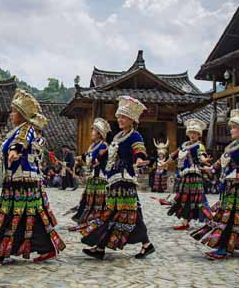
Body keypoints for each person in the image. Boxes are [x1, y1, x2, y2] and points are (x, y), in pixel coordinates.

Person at [0, 89, 65, 266]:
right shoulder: (18, 129)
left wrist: (14, 151)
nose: (11, 114)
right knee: (27, 215)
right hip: (19, 181)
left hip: (23, 182)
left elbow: (21, 142)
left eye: (14, 111)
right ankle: (47, 248)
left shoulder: (26, 129)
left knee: (10, 216)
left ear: (22, 115)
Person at [78, 95, 155, 260]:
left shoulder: (135, 136)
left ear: (131, 119)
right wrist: (95, 157)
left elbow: (138, 151)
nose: (119, 119)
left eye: (123, 116)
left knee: (116, 214)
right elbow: (108, 156)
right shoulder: (117, 137)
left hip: (124, 181)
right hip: (113, 181)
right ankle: (144, 244)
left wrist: (140, 159)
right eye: (118, 116)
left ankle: (100, 247)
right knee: (124, 213)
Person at [192, 109, 239, 260]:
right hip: (229, 186)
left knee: (233, 218)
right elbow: (221, 162)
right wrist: (210, 168)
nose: (231, 130)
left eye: (234, 127)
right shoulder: (232, 145)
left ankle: (224, 248)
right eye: (231, 127)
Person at [166, 119, 211, 231]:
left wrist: (204, 160)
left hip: (194, 176)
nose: (192, 135)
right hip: (185, 176)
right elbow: (174, 156)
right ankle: (185, 222)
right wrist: (165, 163)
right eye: (191, 132)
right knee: (184, 198)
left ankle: (211, 219)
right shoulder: (183, 145)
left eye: (195, 133)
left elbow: (201, 155)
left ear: (198, 135)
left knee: (199, 199)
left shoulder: (199, 145)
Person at [70, 118, 110, 226]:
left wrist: (84, 158)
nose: (91, 133)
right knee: (88, 196)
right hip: (92, 174)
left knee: (98, 198)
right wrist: (79, 158)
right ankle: (83, 215)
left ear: (99, 133)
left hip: (100, 175)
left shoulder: (104, 146)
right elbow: (87, 156)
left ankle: (98, 216)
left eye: (94, 131)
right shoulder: (92, 145)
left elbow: (95, 158)